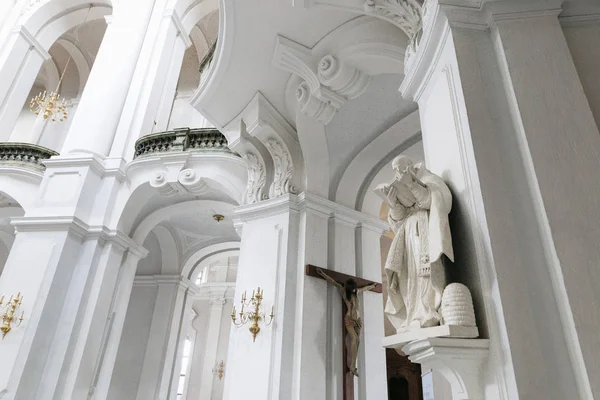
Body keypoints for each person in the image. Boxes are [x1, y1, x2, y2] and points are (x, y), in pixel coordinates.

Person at [382, 155, 454, 331]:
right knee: (408, 275)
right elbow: (398, 221)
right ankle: (413, 314)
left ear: (410, 165)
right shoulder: (402, 185)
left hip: (424, 231)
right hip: (407, 234)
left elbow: (432, 201)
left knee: (425, 273)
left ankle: (428, 312)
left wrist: (412, 184)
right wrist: (393, 204)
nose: (398, 172)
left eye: (400, 168)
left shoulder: (427, 179)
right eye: (395, 170)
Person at [317, 268, 376, 377]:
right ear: (349, 288)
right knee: (354, 338)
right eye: (352, 288)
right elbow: (333, 282)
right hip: (349, 319)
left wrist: (372, 286)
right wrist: (322, 274)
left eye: (355, 287)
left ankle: (353, 365)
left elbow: (365, 288)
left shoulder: (357, 291)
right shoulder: (343, 291)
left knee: (358, 341)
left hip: (358, 320)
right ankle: (352, 366)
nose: (354, 290)